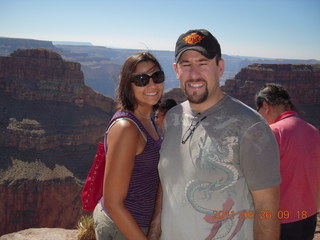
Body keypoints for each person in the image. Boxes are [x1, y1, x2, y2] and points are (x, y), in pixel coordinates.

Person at [148, 29, 281, 240]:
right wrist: (154, 231)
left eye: (203, 63)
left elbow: (267, 208)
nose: (194, 74)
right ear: (176, 70)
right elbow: (168, 183)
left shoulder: (251, 127)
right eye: (186, 65)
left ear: (220, 67)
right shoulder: (172, 118)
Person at [93, 52, 164, 240]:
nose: (152, 85)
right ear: (128, 85)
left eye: (157, 77)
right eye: (141, 79)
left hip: (137, 225)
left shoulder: (148, 119)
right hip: (123, 229)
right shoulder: (127, 128)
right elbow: (112, 203)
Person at [255, 83, 320, 240]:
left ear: (265, 106)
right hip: (309, 216)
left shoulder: (274, 132)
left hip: (281, 219)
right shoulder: (313, 130)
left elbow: (256, 178)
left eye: (259, 112)